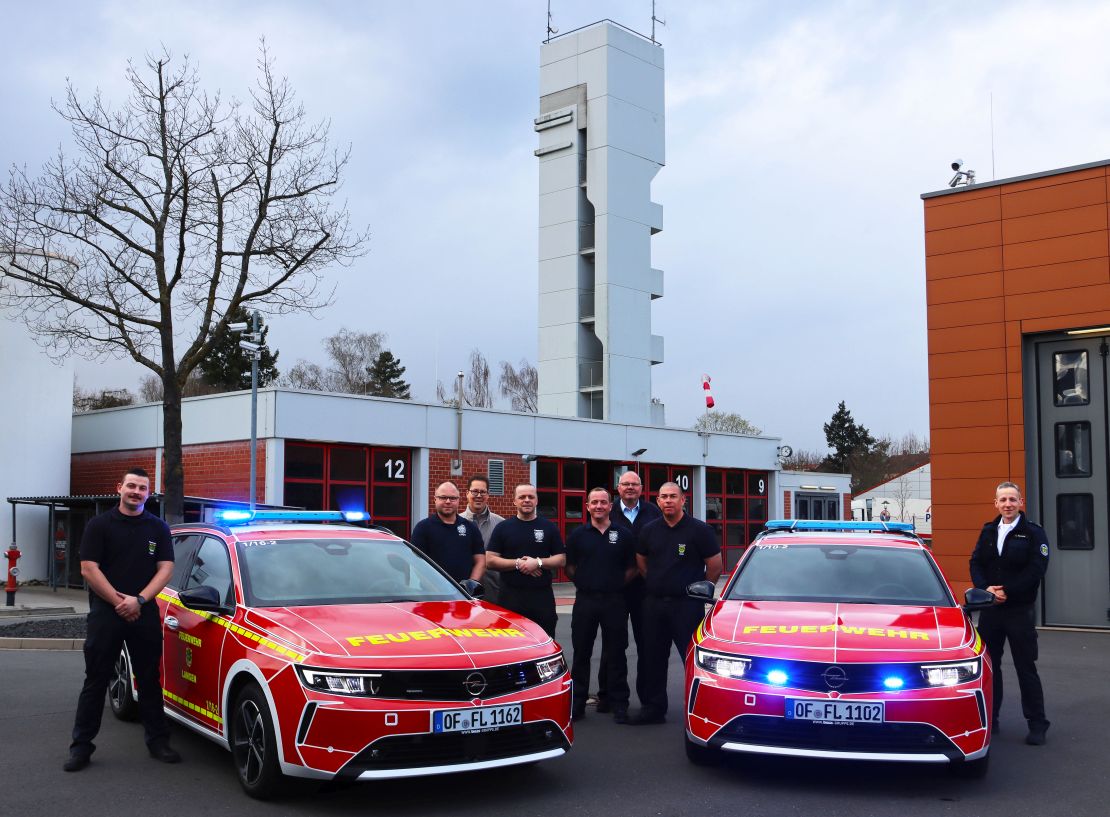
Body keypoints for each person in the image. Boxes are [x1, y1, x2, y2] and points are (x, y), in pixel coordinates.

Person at [64, 467, 180, 771]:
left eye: (142, 488)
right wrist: (120, 602)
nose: (136, 492)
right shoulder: (99, 525)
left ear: (148, 494)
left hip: (144, 611)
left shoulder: (158, 528)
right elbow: (89, 569)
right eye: (131, 486)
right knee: (96, 680)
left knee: (150, 679)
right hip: (107, 613)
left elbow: (166, 568)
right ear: (119, 488)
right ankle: (81, 748)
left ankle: (158, 742)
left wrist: (139, 600)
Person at [629, 481, 722, 725]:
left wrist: (699, 590)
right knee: (652, 658)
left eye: (673, 496)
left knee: (692, 659)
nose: (668, 500)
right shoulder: (649, 530)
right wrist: (657, 583)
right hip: (654, 604)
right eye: (664, 497)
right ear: (657, 501)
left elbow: (714, 566)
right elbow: (641, 561)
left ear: (683, 500)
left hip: (687, 606)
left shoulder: (700, 530)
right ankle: (653, 709)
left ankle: (701, 710)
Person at [969, 481, 1051, 745]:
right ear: (996, 503)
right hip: (991, 611)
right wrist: (986, 589)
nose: (1008, 504)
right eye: (1003, 500)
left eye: (1012, 499)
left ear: (1020, 502)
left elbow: (1037, 569)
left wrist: (1007, 591)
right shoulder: (988, 531)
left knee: (1025, 667)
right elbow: (976, 562)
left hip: (1019, 611)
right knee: (989, 668)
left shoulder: (1033, 533)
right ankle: (990, 720)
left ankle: (1037, 724)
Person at [566, 487, 637, 723]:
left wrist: (614, 584)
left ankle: (619, 704)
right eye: (594, 502)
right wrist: (586, 582)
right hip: (585, 601)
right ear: (587, 506)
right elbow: (570, 567)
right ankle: (577, 705)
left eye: (603, 502)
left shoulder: (624, 534)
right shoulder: (577, 535)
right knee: (581, 653)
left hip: (615, 601)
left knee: (616, 654)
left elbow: (632, 568)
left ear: (610, 506)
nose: (599, 506)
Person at [601, 470, 662, 711]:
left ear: (641, 488)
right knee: (613, 645)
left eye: (634, 484)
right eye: (625, 484)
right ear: (618, 488)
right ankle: (608, 697)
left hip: (645, 590)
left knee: (647, 644)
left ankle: (648, 700)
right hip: (615, 589)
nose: (629, 488)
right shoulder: (608, 511)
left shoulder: (653, 512)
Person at [485, 484, 566, 637]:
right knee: (511, 643)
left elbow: (561, 559)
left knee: (544, 642)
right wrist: (518, 563)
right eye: (522, 497)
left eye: (531, 497)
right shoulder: (503, 528)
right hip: (510, 599)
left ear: (537, 500)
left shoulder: (549, 527)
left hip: (542, 599)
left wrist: (537, 562)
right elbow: (490, 560)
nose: (527, 500)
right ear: (514, 501)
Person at [410, 481, 485, 583]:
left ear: (458, 500)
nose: (448, 501)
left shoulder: (470, 527)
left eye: (453, 498)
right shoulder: (423, 528)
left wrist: (471, 584)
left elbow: (480, 561)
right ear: (435, 499)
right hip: (433, 589)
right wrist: (433, 586)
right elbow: (416, 562)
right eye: (443, 497)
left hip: (464, 591)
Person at [460, 475, 505, 602]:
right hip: (463, 592)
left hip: (494, 594)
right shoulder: (457, 523)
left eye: (483, 492)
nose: (479, 495)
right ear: (467, 493)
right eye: (475, 491)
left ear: (488, 495)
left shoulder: (501, 524)